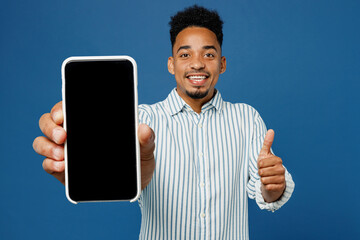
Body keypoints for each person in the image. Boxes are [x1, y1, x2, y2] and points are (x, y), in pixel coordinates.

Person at [33, 5, 295, 240]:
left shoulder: (246, 119)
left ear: (222, 64)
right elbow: (120, 174)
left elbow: (265, 193)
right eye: (184, 55)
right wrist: (84, 163)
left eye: (209, 55)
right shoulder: (141, 121)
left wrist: (273, 184)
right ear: (171, 64)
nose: (197, 64)